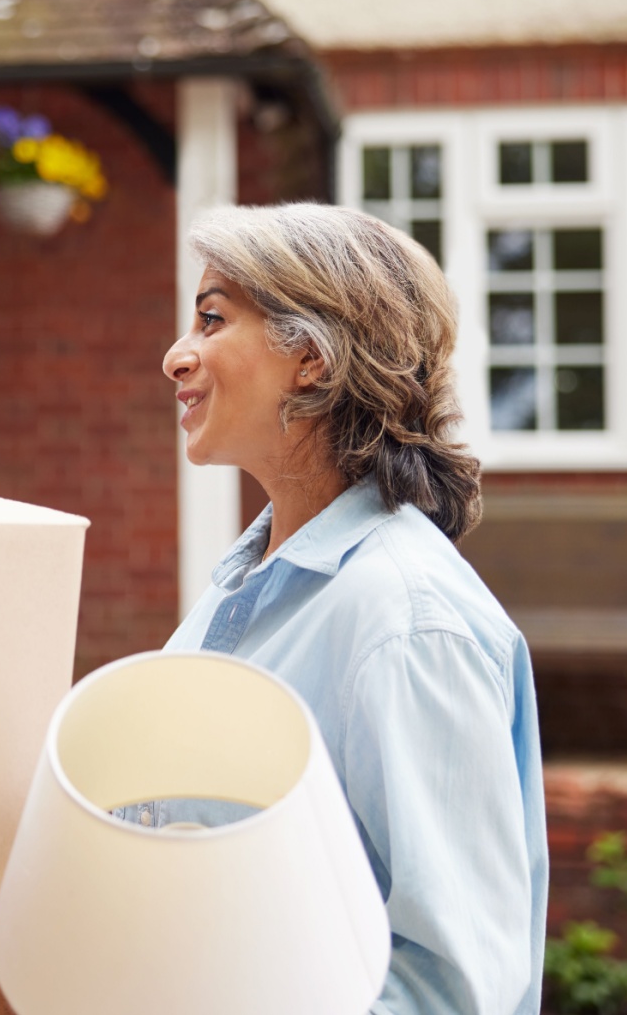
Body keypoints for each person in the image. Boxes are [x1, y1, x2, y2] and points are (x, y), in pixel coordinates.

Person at [158, 204, 547, 1013]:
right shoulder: (246, 584)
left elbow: (451, 991)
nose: (176, 356)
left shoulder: (406, 622)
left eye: (212, 318)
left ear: (311, 358)